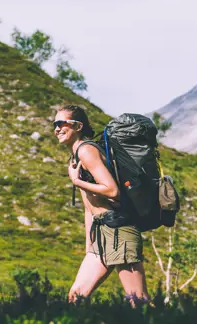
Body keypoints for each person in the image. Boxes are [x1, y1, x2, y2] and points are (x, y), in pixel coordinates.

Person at [53, 104, 149, 304]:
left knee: (138, 301)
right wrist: (90, 243)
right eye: (55, 124)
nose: (57, 128)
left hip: (118, 231)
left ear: (78, 126)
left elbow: (112, 190)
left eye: (62, 123)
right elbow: (90, 206)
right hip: (101, 235)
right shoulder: (75, 156)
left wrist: (77, 181)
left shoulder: (87, 151)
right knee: (75, 298)